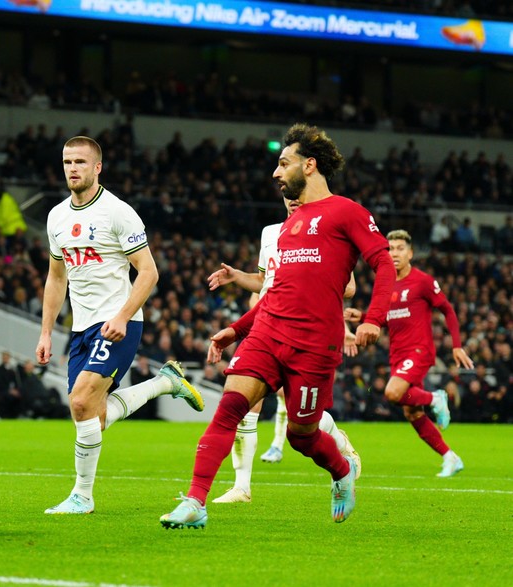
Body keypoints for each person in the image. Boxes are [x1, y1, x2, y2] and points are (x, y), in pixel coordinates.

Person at [160, 123, 395, 529]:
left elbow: (385, 264)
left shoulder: (347, 212)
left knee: (301, 437)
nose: (275, 173)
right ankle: (196, 501)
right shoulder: (287, 226)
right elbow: (276, 291)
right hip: (268, 333)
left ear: (310, 165)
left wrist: (374, 318)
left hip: (313, 345)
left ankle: (341, 473)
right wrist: (237, 329)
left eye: (283, 164)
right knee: (229, 409)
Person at [36, 136, 204, 515]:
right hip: (81, 329)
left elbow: (149, 272)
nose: (72, 169)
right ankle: (165, 383)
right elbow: (56, 277)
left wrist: (123, 316)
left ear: (97, 168)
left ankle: (82, 496)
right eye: (67, 162)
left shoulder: (117, 212)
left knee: (80, 401)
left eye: (80, 162)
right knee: (91, 416)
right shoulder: (57, 217)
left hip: (118, 323)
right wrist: (47, 331)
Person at [205, 196, 361, 504]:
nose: (292, 202)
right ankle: (241, 486)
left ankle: (336, 440)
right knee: (242, 406)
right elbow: (263, 281)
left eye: (297, 197)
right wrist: (237, 276)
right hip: (265, 325)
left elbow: (350, 286)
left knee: (300, 420)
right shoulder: (270, 233)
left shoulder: (326, 230)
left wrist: (312, 287)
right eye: (287, 197)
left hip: (306, 329)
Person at [345, 229, 473, 477]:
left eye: (400, 248)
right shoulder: (385, 284)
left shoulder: (422, 281)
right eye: (390, 249)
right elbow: (386, 319)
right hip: (398, 355)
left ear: (410, 253)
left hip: (419, 350)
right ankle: (450, 457)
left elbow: (447, 310)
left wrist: (456, 345)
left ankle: (436, 399)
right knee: (411, 412)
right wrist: (361, 316)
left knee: (392, 392)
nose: (394, 253)